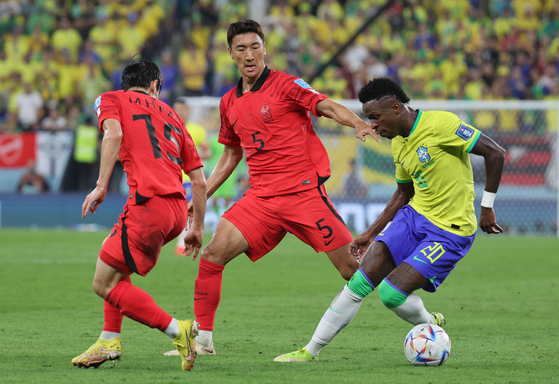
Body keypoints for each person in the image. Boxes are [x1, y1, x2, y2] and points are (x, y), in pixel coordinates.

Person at [168, 19, 379, 357]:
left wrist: (356, 122)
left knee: (354, 269)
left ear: (265, 48)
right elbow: (232, 153)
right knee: (212, 254)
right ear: (230, 54)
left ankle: (416, 311)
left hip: (304, 194)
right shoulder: (228, 103)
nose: (249, 54)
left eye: (255, 46)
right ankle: (203, 342)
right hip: (261, 200)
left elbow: (323, 105)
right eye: (241, 48)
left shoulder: (286, 85)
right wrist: (203, 192)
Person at [274, 77, 505, 362]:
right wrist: (370, 234)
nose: (372, 126)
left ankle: (429, 322)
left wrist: (487, 207)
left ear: (396, 108)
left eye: (375, 117)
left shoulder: (441, 125)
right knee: (359, 282)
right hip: (414, 217)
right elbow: (402, 193)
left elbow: (495, 153)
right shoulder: (398, 144)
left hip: (449, 230)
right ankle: (310, 351)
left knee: (390, 294)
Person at [71, 58, 207, 372]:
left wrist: (101, 185)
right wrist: (196, 226)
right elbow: (199, 180)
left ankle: (178, 330)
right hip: (176, 211)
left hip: (149, 205)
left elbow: (114, 135)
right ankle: (109, 340)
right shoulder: (174, 116)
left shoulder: (110, 99)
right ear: (155, 86)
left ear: (125, 83)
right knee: (117, 265)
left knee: (103, 283)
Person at [173, 97, 211, 255]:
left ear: (188, 111)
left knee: (185, 211)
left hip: (189, 178)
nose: (180, 112)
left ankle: (182, 243)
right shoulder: (166, 127)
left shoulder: (197, 130)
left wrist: (191, 159)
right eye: (177, 109)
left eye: (183, 109)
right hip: (169, 176)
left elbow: (207, 152)